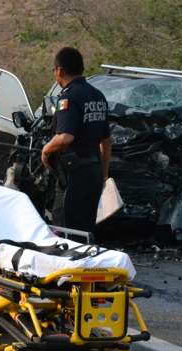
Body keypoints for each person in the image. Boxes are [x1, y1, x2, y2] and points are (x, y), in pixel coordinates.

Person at [41, 47, 111, 233]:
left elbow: (65, 137)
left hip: (73, 175)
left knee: (65, 230)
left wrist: (46, 150)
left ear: (60, 71)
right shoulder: (98, 95)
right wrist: (104, 174)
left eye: (54, 70)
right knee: (86, 228)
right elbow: (106, 141)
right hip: (94, 172)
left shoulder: (68, 97)